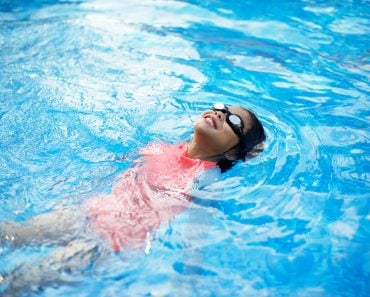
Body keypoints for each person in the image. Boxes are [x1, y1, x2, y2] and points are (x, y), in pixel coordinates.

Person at [0, 103, 265, 294]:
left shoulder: (206, 179)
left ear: (233, 153)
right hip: (87, 215)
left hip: (109, 243)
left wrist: (186, 278)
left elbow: (197, 232)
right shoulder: (159, 146)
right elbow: (108, 172)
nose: (221, 113)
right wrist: (73, 194)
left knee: (21, 280)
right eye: (222, 107)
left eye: (234, 122)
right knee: (8, 233)